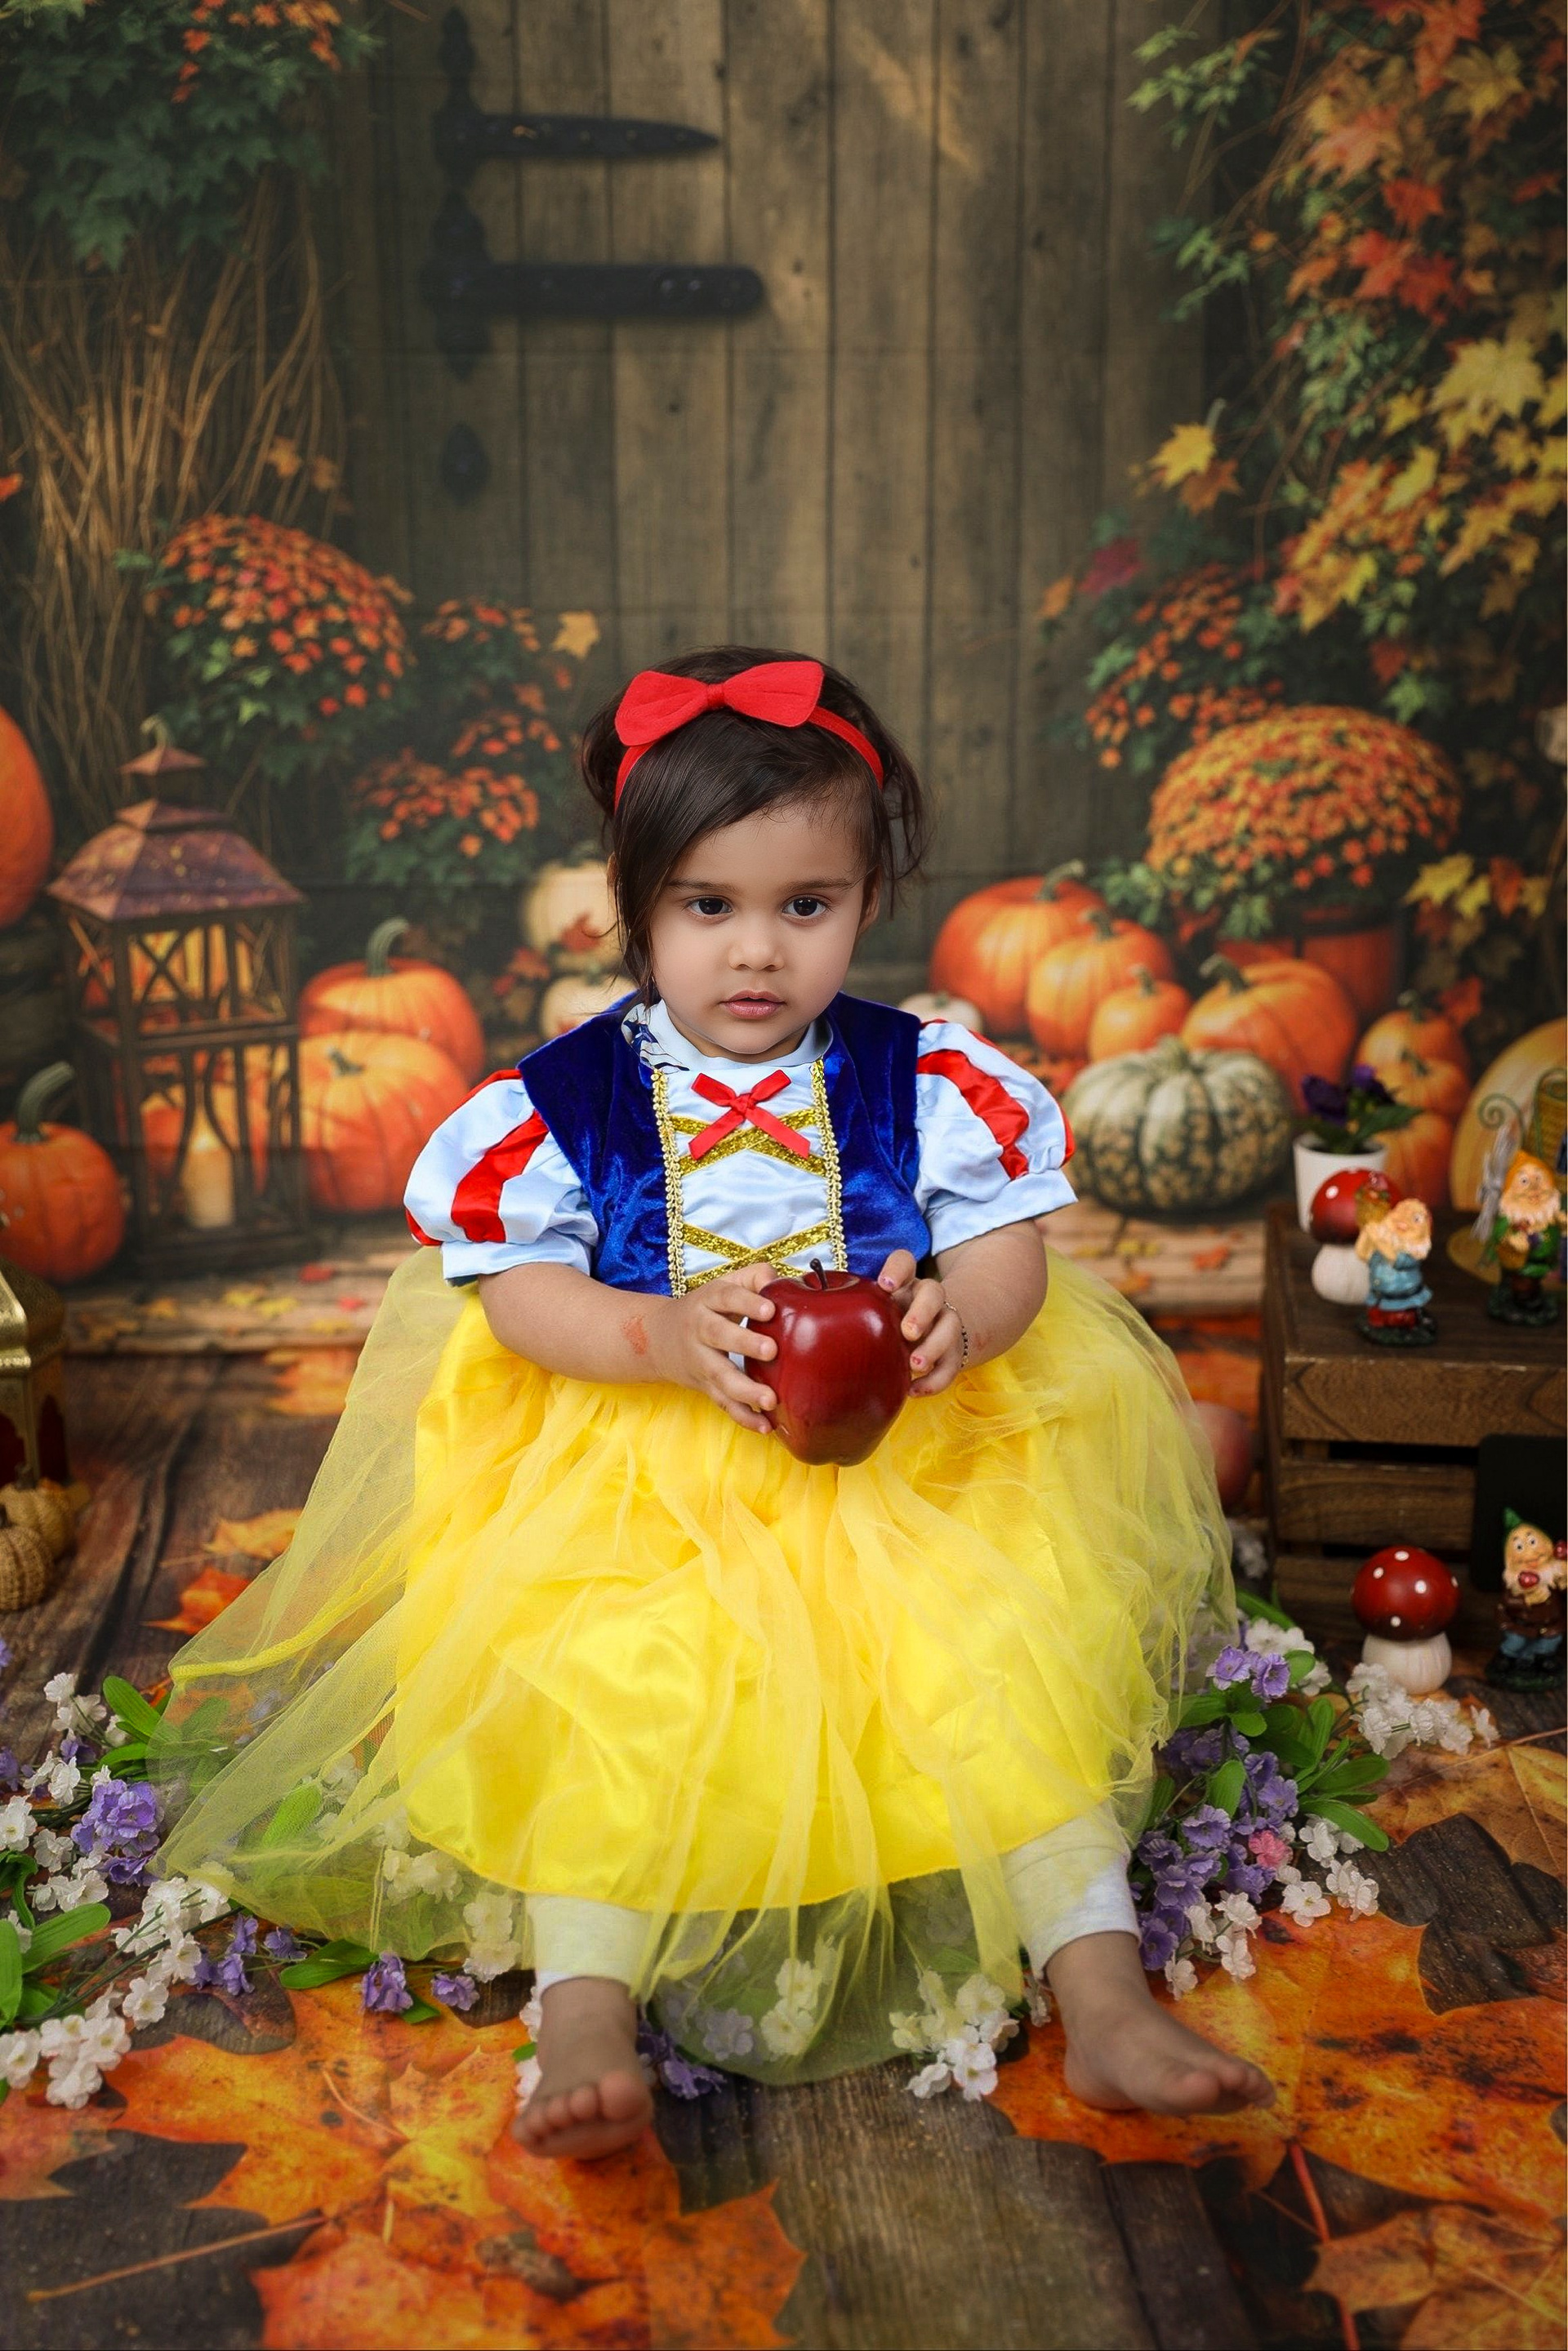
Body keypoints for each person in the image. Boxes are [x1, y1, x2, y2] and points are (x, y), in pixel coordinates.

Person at [154, 647, 1268, 2159]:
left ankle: (1106, 1997)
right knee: (621, 1697)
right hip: (646, 1479)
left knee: (999, 1676)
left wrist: (966, 1316)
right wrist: (660, 1335)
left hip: (903, 1466)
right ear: (633, 908)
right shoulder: (563, 1102)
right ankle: (586, 2016)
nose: (757, 953)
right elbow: (518, 1294)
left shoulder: (924, 1077)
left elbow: (1010, 1245)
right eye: (707, 908)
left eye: (804, 907)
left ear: (866, 902)